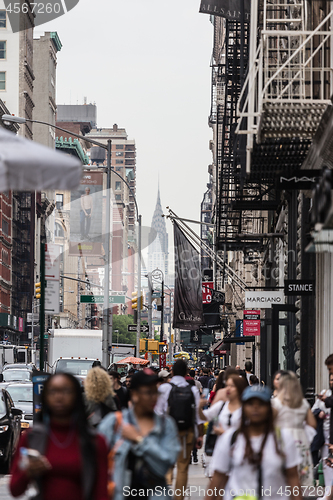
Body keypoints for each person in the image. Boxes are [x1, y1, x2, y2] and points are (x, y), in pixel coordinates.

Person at [10, 373, 108, 500]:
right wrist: (28, 472)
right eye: (53, 391)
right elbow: (15, 489)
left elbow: (101, 492)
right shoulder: (32, 437)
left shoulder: (95, 441)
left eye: (66, 391)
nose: (59, 397)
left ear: (77, 396)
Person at [206, 385, 302, 500]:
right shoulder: (230, 439)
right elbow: (217, 478)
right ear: (243, 408)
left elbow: (293, 478)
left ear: (269, 408)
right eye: (250, 404)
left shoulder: (284, 439)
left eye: (261, 404)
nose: (255, 408)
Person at [99, 368, 180, 500]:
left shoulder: (167, 425)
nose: (154, 397)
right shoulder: (114, 423)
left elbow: (163, 467)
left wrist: (139, 440)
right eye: (148, 393)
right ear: (135, 395)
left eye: (156, 392)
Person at [155, 359, 204, 500]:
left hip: (167, 433)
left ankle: (166, 487)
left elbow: (158, 413)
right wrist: (199, 435)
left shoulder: (164, 388)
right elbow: (197, 416)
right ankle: (179, 497)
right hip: (187, 432)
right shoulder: (193, 389)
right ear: (186, 372)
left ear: (172, 371)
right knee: (183, 467)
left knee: (166, 463)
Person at [271, 370, 316, 487]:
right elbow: (312, 424)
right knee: (298, 480)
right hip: (299, 440)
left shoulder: (276, 403)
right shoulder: (303, 403)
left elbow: (269, 423)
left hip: (282, 439)